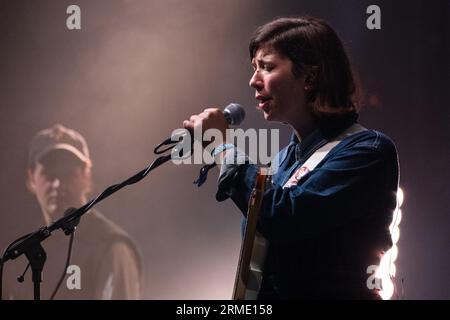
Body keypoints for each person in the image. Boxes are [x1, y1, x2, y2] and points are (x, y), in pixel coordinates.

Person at [183, 17, 399, 299]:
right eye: (254, 68)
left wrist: (222, 147)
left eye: (267, 67)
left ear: (310, 77)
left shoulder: (367, 151)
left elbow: (282, 218)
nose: (253, 81)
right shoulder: (285, 159)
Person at [6, 124, 142, 300]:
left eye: (67, 173)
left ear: (87, 175)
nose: (58, 184)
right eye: (49, 174)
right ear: (31, 179)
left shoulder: (111, 246)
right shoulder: (18, 253)